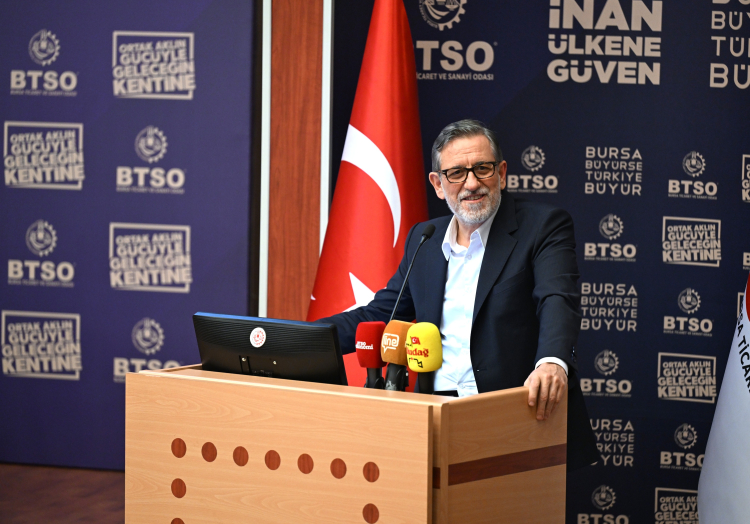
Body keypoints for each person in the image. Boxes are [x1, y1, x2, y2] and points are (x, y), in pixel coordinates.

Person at [320, 119, 598, 471]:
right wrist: (304, 339)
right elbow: (379, 316)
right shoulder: (425, 238)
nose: (471, 183)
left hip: (517, 415)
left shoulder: (542, 226)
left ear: (501, 173)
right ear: (438, 184)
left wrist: (552, 362)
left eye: (482, 168)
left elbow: (556, 298)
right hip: (433, 419)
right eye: (456, 173)